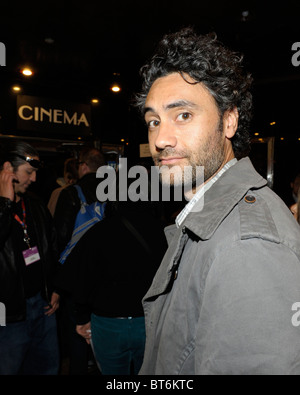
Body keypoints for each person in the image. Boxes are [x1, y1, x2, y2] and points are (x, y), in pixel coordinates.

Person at [134, 27, 300, 375]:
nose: (161, 139)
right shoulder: (210, 217)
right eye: (153, 121)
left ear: (229, 121)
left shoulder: (248, 245)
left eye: (183, 115)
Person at [55, 184, 167, 375]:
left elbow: (80, 279)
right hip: (150, 322)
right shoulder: (162, 232)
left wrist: (82, 318)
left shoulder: (98, 232)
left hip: (109, 325)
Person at [0, 139, 60, 375]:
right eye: (28, 172)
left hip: (43, 306)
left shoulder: (34, 204)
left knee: (47, 368)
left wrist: (55, 286)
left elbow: (52, 247)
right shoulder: (2, 207)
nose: (33, 179)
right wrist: (4, 204)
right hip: (8, 314)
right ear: (7, 169)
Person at [53, 146, 105, 375]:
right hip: (103, 274)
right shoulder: (113, 193)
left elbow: (61, 236)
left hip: (74, 277)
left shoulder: (71, 193)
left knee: (76, 333)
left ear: (83, 166)